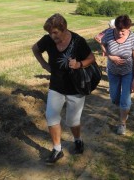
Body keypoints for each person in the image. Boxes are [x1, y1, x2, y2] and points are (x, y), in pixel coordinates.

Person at [32, 13, 96, 164]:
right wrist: (44, 65)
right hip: (56, 86)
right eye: (49, 32)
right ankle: (57, 149)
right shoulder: (47, 40)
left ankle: (78, 140)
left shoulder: (78, 41)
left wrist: (79, 64)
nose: (52, 36)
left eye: (55, 32)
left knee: (72, 121)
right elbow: (35, 49)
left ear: (64, 28)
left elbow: (91, 58)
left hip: (75, 88)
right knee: (51, 116)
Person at [100, 14, 134, 135]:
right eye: (119, 30)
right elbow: (102, 43)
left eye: (124, 31)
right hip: (113, 72)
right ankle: (124, 110)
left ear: (128, 28)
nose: (121, 33)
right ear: (115, 27)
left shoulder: (133, 38)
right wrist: (109, 56)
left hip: (128, 72)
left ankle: (122, 123)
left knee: (125, 99)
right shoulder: (109, 34)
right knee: (114, 97)